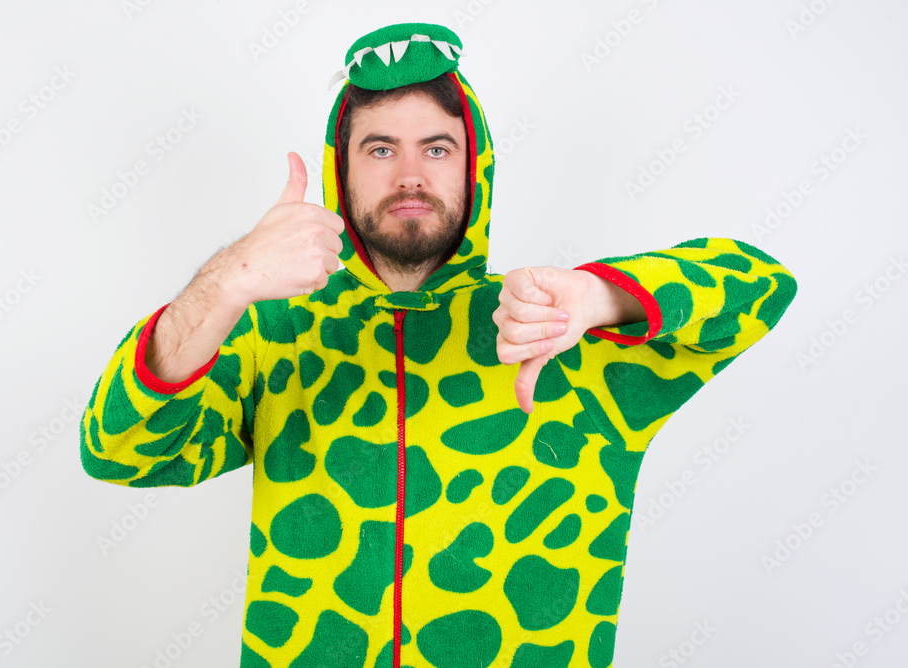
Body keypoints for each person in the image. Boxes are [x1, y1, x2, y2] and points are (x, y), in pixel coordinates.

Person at [80, 21, 798, 668]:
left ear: (473, 166)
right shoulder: (277, 334)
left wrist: (603, 298)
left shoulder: (559, 330)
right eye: (380, 148)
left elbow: (760, 285)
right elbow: (118, 449)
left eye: (437, 147)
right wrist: (227, 283)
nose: (410, 175)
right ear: (340, 171)